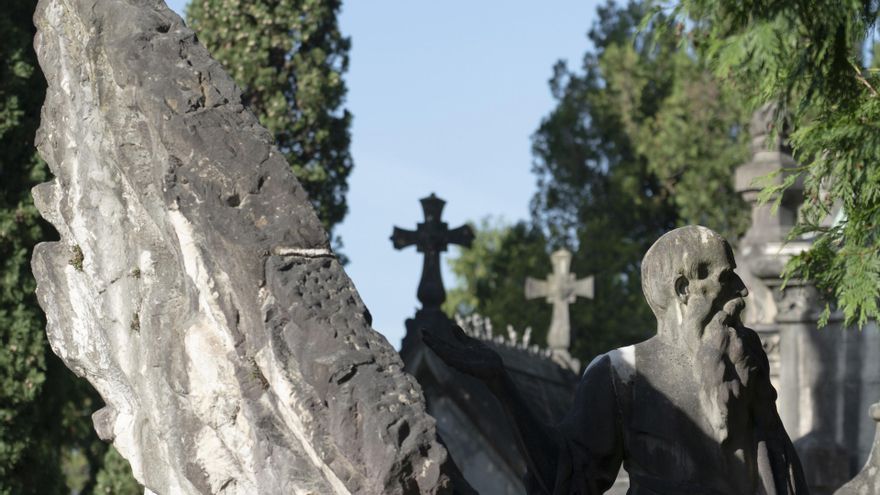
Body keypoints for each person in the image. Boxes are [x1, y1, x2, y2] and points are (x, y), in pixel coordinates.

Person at [423, 226, 807, 494]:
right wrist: (501, 385)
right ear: (683, 289)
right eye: (726, 279)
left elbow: (783, 475)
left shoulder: (744, 365)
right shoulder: (621, 374)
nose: (741, 291)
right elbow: (569, 477)